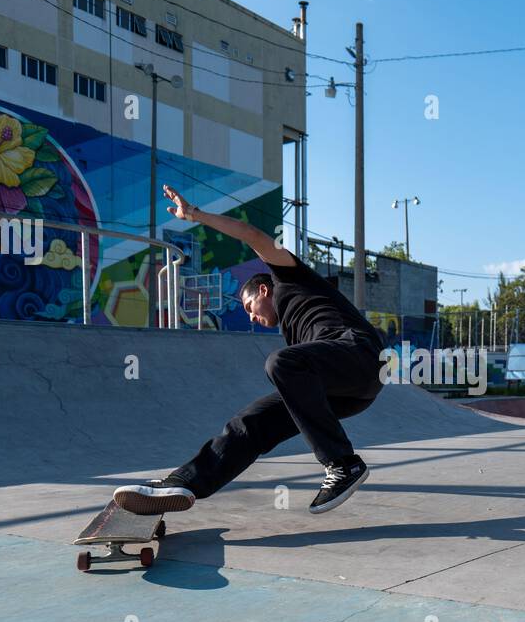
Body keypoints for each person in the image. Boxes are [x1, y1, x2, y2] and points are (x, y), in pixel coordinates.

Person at [113, 185, 384, 515]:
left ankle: (343, 464)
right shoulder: (296, 333)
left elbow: (251, 234)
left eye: (250, 306)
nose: (251, 316)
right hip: (342, 389)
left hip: (359, 355)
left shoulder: (289, 276)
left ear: (265, 289)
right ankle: (183, 482)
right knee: (252, 422)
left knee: (281, 363)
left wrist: (196, 215)